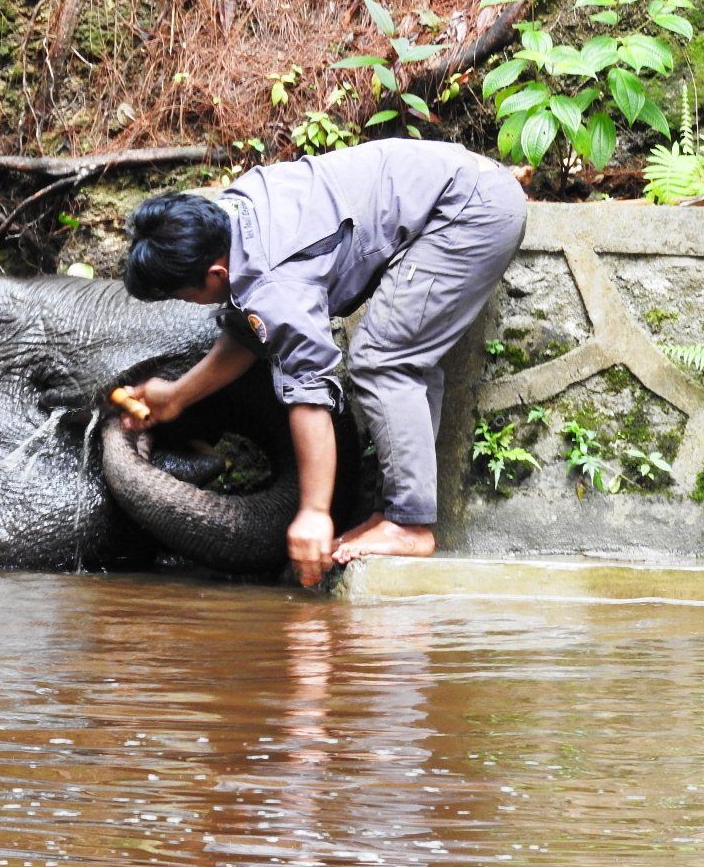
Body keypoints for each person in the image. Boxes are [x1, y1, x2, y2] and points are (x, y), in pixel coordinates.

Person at [120, 138, 527, 586]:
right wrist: (177, 396)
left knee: (383, 359)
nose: (191, 303)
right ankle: (396, 513)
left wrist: (314, 513)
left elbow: (310, 391)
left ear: (216, 275)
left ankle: (410, 526)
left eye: (185, 295)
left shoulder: (276, 283)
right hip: (456, 183)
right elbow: (252, 329)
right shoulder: (231, 214)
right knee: (396, 351)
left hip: (469, 212)